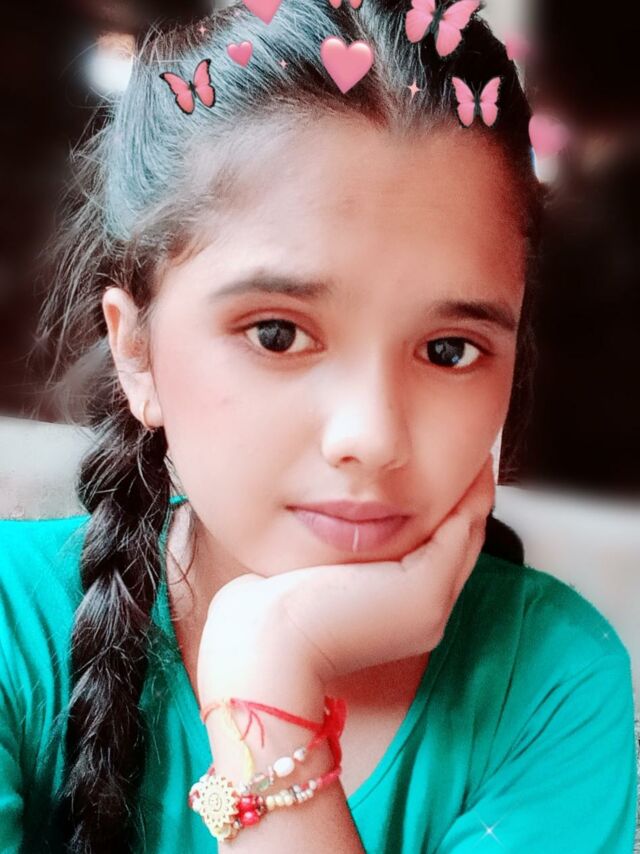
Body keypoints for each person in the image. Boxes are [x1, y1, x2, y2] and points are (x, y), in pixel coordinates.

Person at [1, 0, 637, 851]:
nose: (372, 437)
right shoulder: (14, 623)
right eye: (277, 334)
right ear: (136, 352)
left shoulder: (555, 683)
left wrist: (270, 677)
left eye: (449, 350)